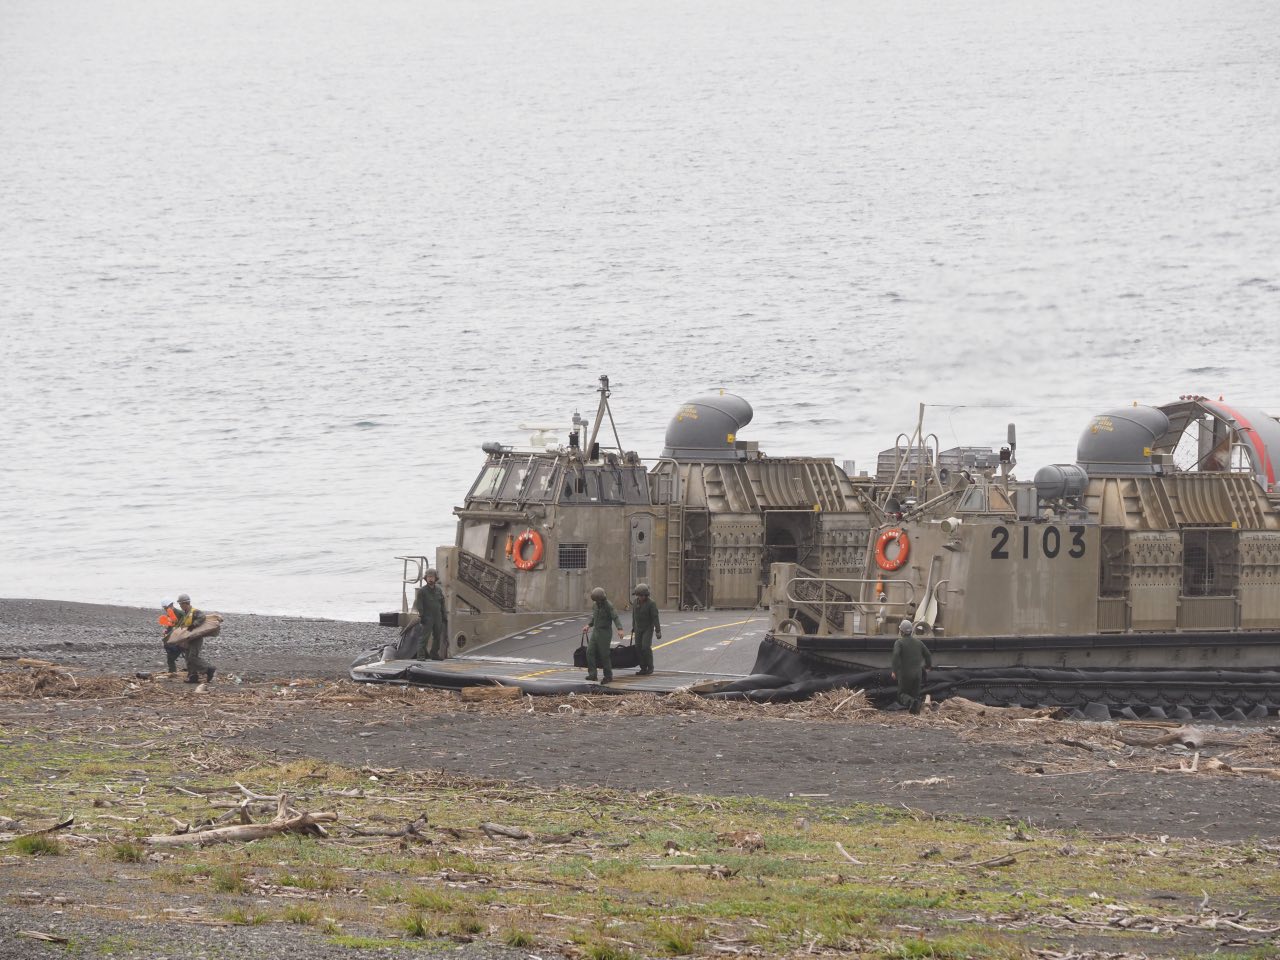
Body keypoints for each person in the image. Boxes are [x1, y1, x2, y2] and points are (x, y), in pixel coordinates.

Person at [891, 618, 932, 714]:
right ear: (911, 631)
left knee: (901, 694)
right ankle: (915, 708)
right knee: (915, 695)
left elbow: (896, 655)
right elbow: (928, 654)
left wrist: (894, 671)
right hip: (918, 674)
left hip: (905, 674)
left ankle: (911, 702)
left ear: (901, 631)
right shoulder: (919, 642)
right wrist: (928, 667)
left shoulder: (899, 643)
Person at [174, 593, 216, 684]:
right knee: (188, 658)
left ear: (186, 603)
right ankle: (192, 676)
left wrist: (194, 625)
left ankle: (209, 669)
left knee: (192, 657)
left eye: (181, 604)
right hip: (188, 638)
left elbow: (202, 617)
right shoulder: (185, 614)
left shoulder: (195, 612)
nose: (180, 606)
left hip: (196, 638)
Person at [586, 586, 624, 683]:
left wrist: (620, 629)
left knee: (604, 654)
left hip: (605, 632)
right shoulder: (595, 605)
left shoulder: (608, 605)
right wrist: (589, 625)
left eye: (598, 600)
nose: (596, 602)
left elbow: (615, 617)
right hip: (596, 631)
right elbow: (595, 618)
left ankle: (608, 676)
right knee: (589, 652)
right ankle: (592, 674)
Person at [412, 568, 447, 660]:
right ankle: (421, 656)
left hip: (438, 617)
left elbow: (442, 603)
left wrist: (444, 615)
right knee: (424, 637)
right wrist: (422, 615)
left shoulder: (439, 590)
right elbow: (419, 605)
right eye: (428, 577)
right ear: (426, 578)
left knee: (437, 636)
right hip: (427, 617)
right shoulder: (422, 591)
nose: (430, 579)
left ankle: (434, 654)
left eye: (432, 577)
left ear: (435, 578)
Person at [630, 583, 661, 675]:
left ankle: (650, 667)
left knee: (646, 647)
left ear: (645, 595)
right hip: (638, 628)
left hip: (648, 628)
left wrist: (658, 630)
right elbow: (634, 615)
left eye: (640, 595)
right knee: (638, 648)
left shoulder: (651, 604)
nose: (639, 597)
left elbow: (655, 617)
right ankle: (643, 668)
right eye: (638, 595)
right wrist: (633, 627)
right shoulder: (635, 602)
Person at [158, 600, 185, 674]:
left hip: (182, 638)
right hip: (174, 639)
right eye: (165, 608)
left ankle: (193, 672)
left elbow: (185, 624)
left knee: (189, 657)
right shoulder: (169, 614)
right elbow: (170, 626)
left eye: (165, 608)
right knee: (170, 658)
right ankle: (172, 672)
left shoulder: (181, 613)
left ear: (170, 605)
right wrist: (166, 631)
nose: (165, 609)